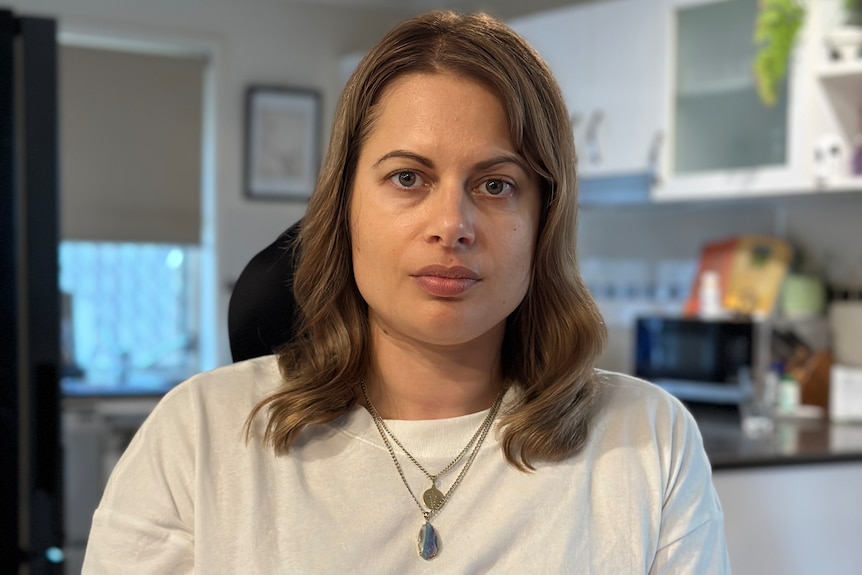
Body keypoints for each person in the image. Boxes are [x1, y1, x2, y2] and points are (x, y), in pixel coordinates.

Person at [83, 10, 731, 573]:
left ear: (544, 217)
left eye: (496, 184)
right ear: (345, 206)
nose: (451, 225)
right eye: (408, 178)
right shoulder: (199, 434)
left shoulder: (649, 441)